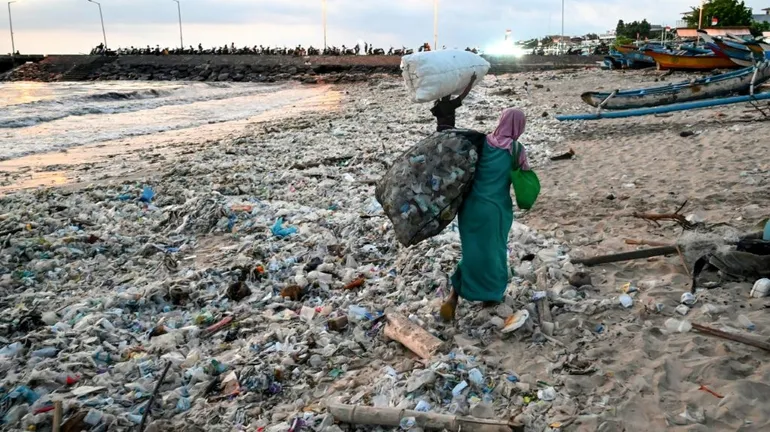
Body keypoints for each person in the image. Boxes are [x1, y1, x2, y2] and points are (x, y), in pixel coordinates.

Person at [440, 108, 532, 322]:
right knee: (494, 253)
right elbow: (525, 177)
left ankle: (453, 296)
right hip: (495, 210)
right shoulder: (516, 150)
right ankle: (490, 297)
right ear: (519, 126)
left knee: (472, 252)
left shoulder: (481, 142)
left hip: (470, 208)